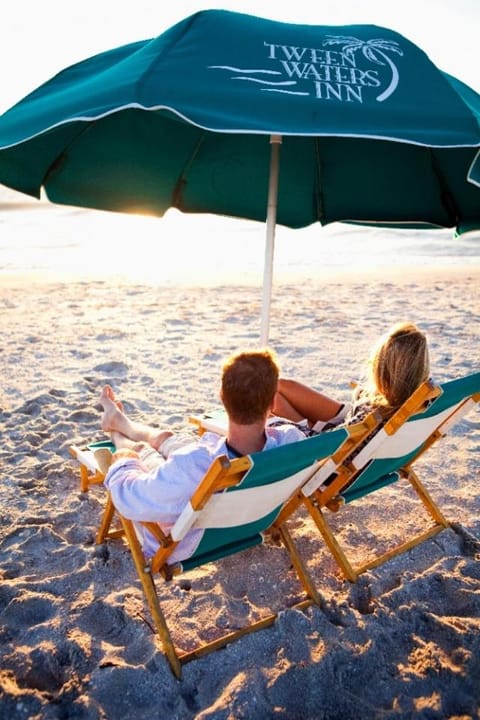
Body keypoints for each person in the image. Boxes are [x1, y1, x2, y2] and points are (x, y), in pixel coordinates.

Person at [99, 349, 306, 564]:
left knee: (140, 450)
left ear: (222, 397)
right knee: (169, 439)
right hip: (248, 520)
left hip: (189, 543)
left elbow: (128, 498)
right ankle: (121, 422)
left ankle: (116, 433)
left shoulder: (191, 465)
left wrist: (124, 457)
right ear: (273, 403)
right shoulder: (291, 443)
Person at [271, 321, 430, 435]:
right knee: (279, 386)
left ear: (380, 369)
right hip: (347, 427)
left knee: (270, 403)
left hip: (327, 449)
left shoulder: (372, 413)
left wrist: (277, 421)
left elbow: (328, 448)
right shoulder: (424, 399)